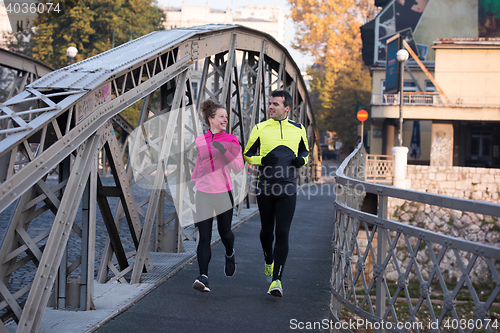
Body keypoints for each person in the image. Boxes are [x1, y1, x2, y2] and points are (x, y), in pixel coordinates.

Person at [243, 90, 309, 297]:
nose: (270, 107)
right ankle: (268, 259)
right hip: (265, 188)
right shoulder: (260, 128)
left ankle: (276, 280)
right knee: (266, 231)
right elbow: (247, 154)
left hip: (288, 188)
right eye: (270, 103)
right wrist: (262, 160)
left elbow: (305, 152)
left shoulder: (298, 129)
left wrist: (301, 161)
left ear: (287, 108)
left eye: (275, 104)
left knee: (282, 233)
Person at [191, 99, 244, 292]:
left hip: (223, 193)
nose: (225, 120)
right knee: (204, 236)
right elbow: (199, 165)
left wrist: (224, 152)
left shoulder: (231, 140)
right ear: (210, 119)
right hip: (203, 193)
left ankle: (230, 253)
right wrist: (192, 186)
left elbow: (238, 167)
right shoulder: (200, 140)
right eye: (221, 116)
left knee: (225, 234)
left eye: (226, 117)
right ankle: (203, 276)